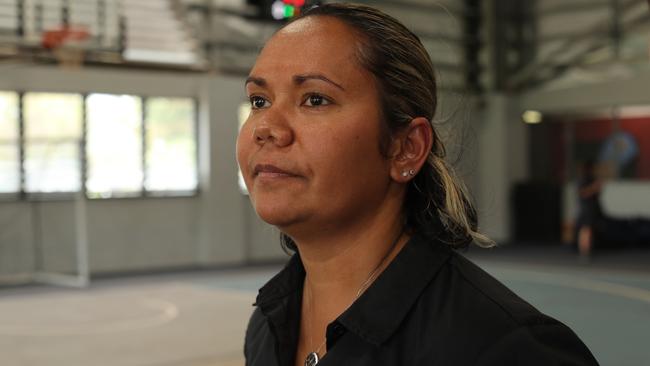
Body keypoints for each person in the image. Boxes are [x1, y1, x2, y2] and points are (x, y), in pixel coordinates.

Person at [237, 3, 599, 366]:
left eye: (315, 99)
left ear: (406, 148)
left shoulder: (509, 351)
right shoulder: (269, 324)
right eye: (259, 100)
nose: (267, 128)